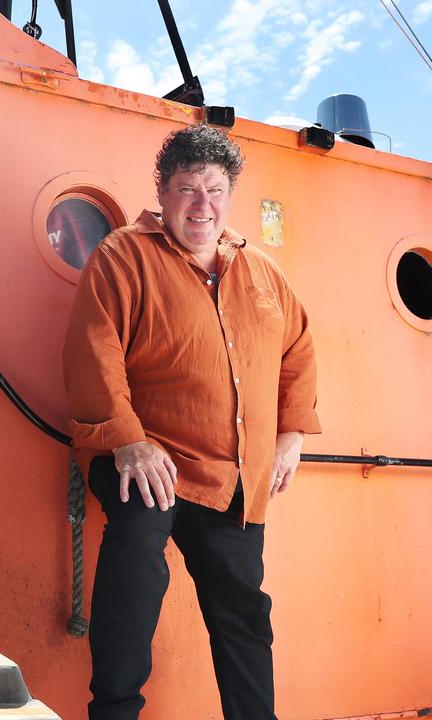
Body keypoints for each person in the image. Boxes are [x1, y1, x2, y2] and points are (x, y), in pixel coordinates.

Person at [62, 124, 321, 720]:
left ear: (229, 194)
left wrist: (292, 435)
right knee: (136, 568)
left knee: (245, 613)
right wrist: (130, 442)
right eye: (186, 189)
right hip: (145, 459)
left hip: (232, 477)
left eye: (214, 189)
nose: (201, 205)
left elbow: (299, 351)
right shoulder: (122, 256)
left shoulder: (262, 271)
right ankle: (115, 713)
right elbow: (93, 353)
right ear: (163, 191)